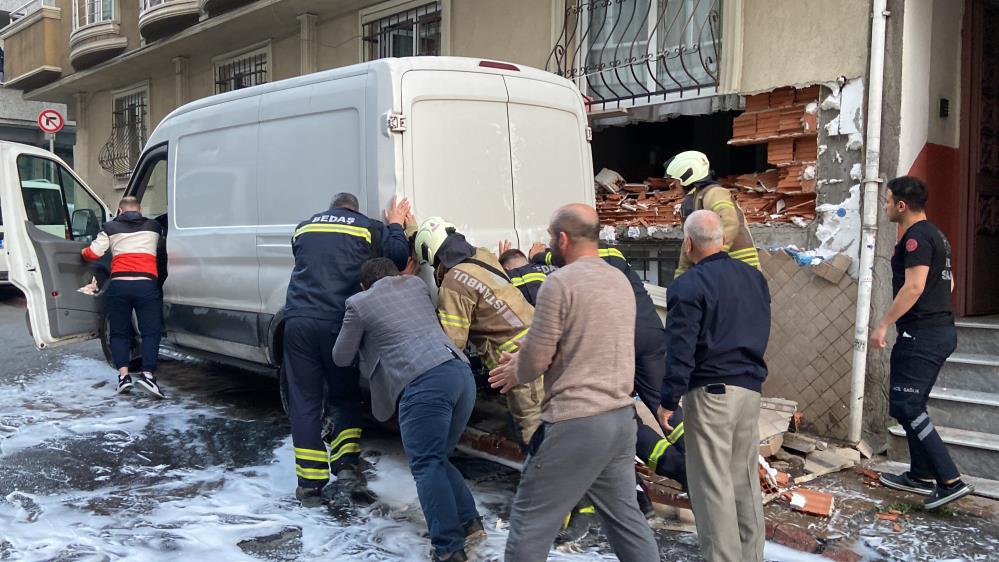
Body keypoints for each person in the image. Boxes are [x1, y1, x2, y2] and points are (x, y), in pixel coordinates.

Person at [488, 204, 659, 562]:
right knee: (625, 520)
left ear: (562, 239)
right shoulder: (619, 281)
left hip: (576, 421)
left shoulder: (560, 282)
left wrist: (515, 369)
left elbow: (537, 358)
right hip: (620, 420)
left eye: (551, 238)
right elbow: (589, 337)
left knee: (530, 521)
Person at [520, 240, 686, 541]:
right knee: (666, 409)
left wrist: (534, 257)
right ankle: (695, 468)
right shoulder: (611, 253)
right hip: (648, 333)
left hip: (614, 341)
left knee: (615, 415)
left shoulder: (569, 270)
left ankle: (640, 496)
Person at [332, 258, 484, 562]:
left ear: (364, 285)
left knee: (426, 464)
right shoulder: (415, 285)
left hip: (424, 383)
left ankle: (449, 549)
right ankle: (469, 522)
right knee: (437, 457)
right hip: (460, 375)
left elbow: (340, 356)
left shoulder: (359, 303)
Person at [283, 192, 410, 507]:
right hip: (339, 322)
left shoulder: (304, 227)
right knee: (344, 395)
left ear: (331, 208)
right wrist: (395, 225)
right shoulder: (366, 227)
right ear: (354, 209)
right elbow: (395, 257)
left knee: (305, 400)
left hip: (297, 321)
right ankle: (346, 468)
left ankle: (310, 484)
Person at [658, 210, 770, 562]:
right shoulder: (755, 279)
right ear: (723, 240)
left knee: (711, 485)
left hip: (710, 392)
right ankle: (751, 556)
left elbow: (681, 349)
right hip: (750, 388)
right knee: (743, 480)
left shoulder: (687, 286)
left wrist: (667, 400)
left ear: (688, 243)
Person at [871, 176, 974, 509]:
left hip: (923, 336)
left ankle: (950, 480)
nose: (885, 206)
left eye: (887, 201)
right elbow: (949, 283)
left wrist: (884, 324)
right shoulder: (937, 236)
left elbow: (914, 287)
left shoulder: (915, 238)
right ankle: (919, 475)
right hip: (938, 330)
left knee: (908, 407)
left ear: (902, 205)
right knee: (909, 406)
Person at [414, 218, 544, 447]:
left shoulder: (453, 283)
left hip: (515, 359)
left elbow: (453, 341)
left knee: (533, 429)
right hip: (542, 341)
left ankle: (549, 480)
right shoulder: (482, 255)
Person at [82, 196, 164, 398]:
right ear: (140, 209)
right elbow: (162, 247)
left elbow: (92, 253)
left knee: (119, 332)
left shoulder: (110, 228)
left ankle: (124, 378)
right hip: (146, 285)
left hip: (120, 285)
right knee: (151, 331)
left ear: (119, 211)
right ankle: (148, 376)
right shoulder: (154, 227)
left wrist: (83, 252)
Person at [664, 150, 760, 278]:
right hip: (722, 272)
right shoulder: (694, 199)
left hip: (740, 271)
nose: (672, 186)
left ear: (687, 175)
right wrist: (681, 276)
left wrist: (714, 259)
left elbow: (729, 222)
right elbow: (689, 242)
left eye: (674, 181)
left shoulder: (714, 193)